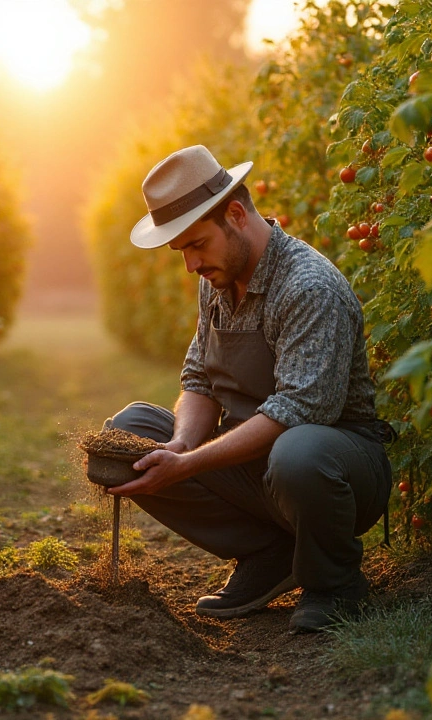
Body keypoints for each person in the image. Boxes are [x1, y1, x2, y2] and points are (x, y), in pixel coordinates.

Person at [104, 145, 394, 633]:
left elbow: (299, 410)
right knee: (128, 433)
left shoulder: (306, 285)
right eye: (182, 252)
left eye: (196, 245)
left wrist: (189, 465)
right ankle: (270, 554)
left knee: (298, 453)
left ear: (235, 214)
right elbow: (198, 377)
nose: (190, 266)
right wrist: (178, 446)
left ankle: (335, 582)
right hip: (255, 465)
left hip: (333, 468)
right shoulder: (218, 277)